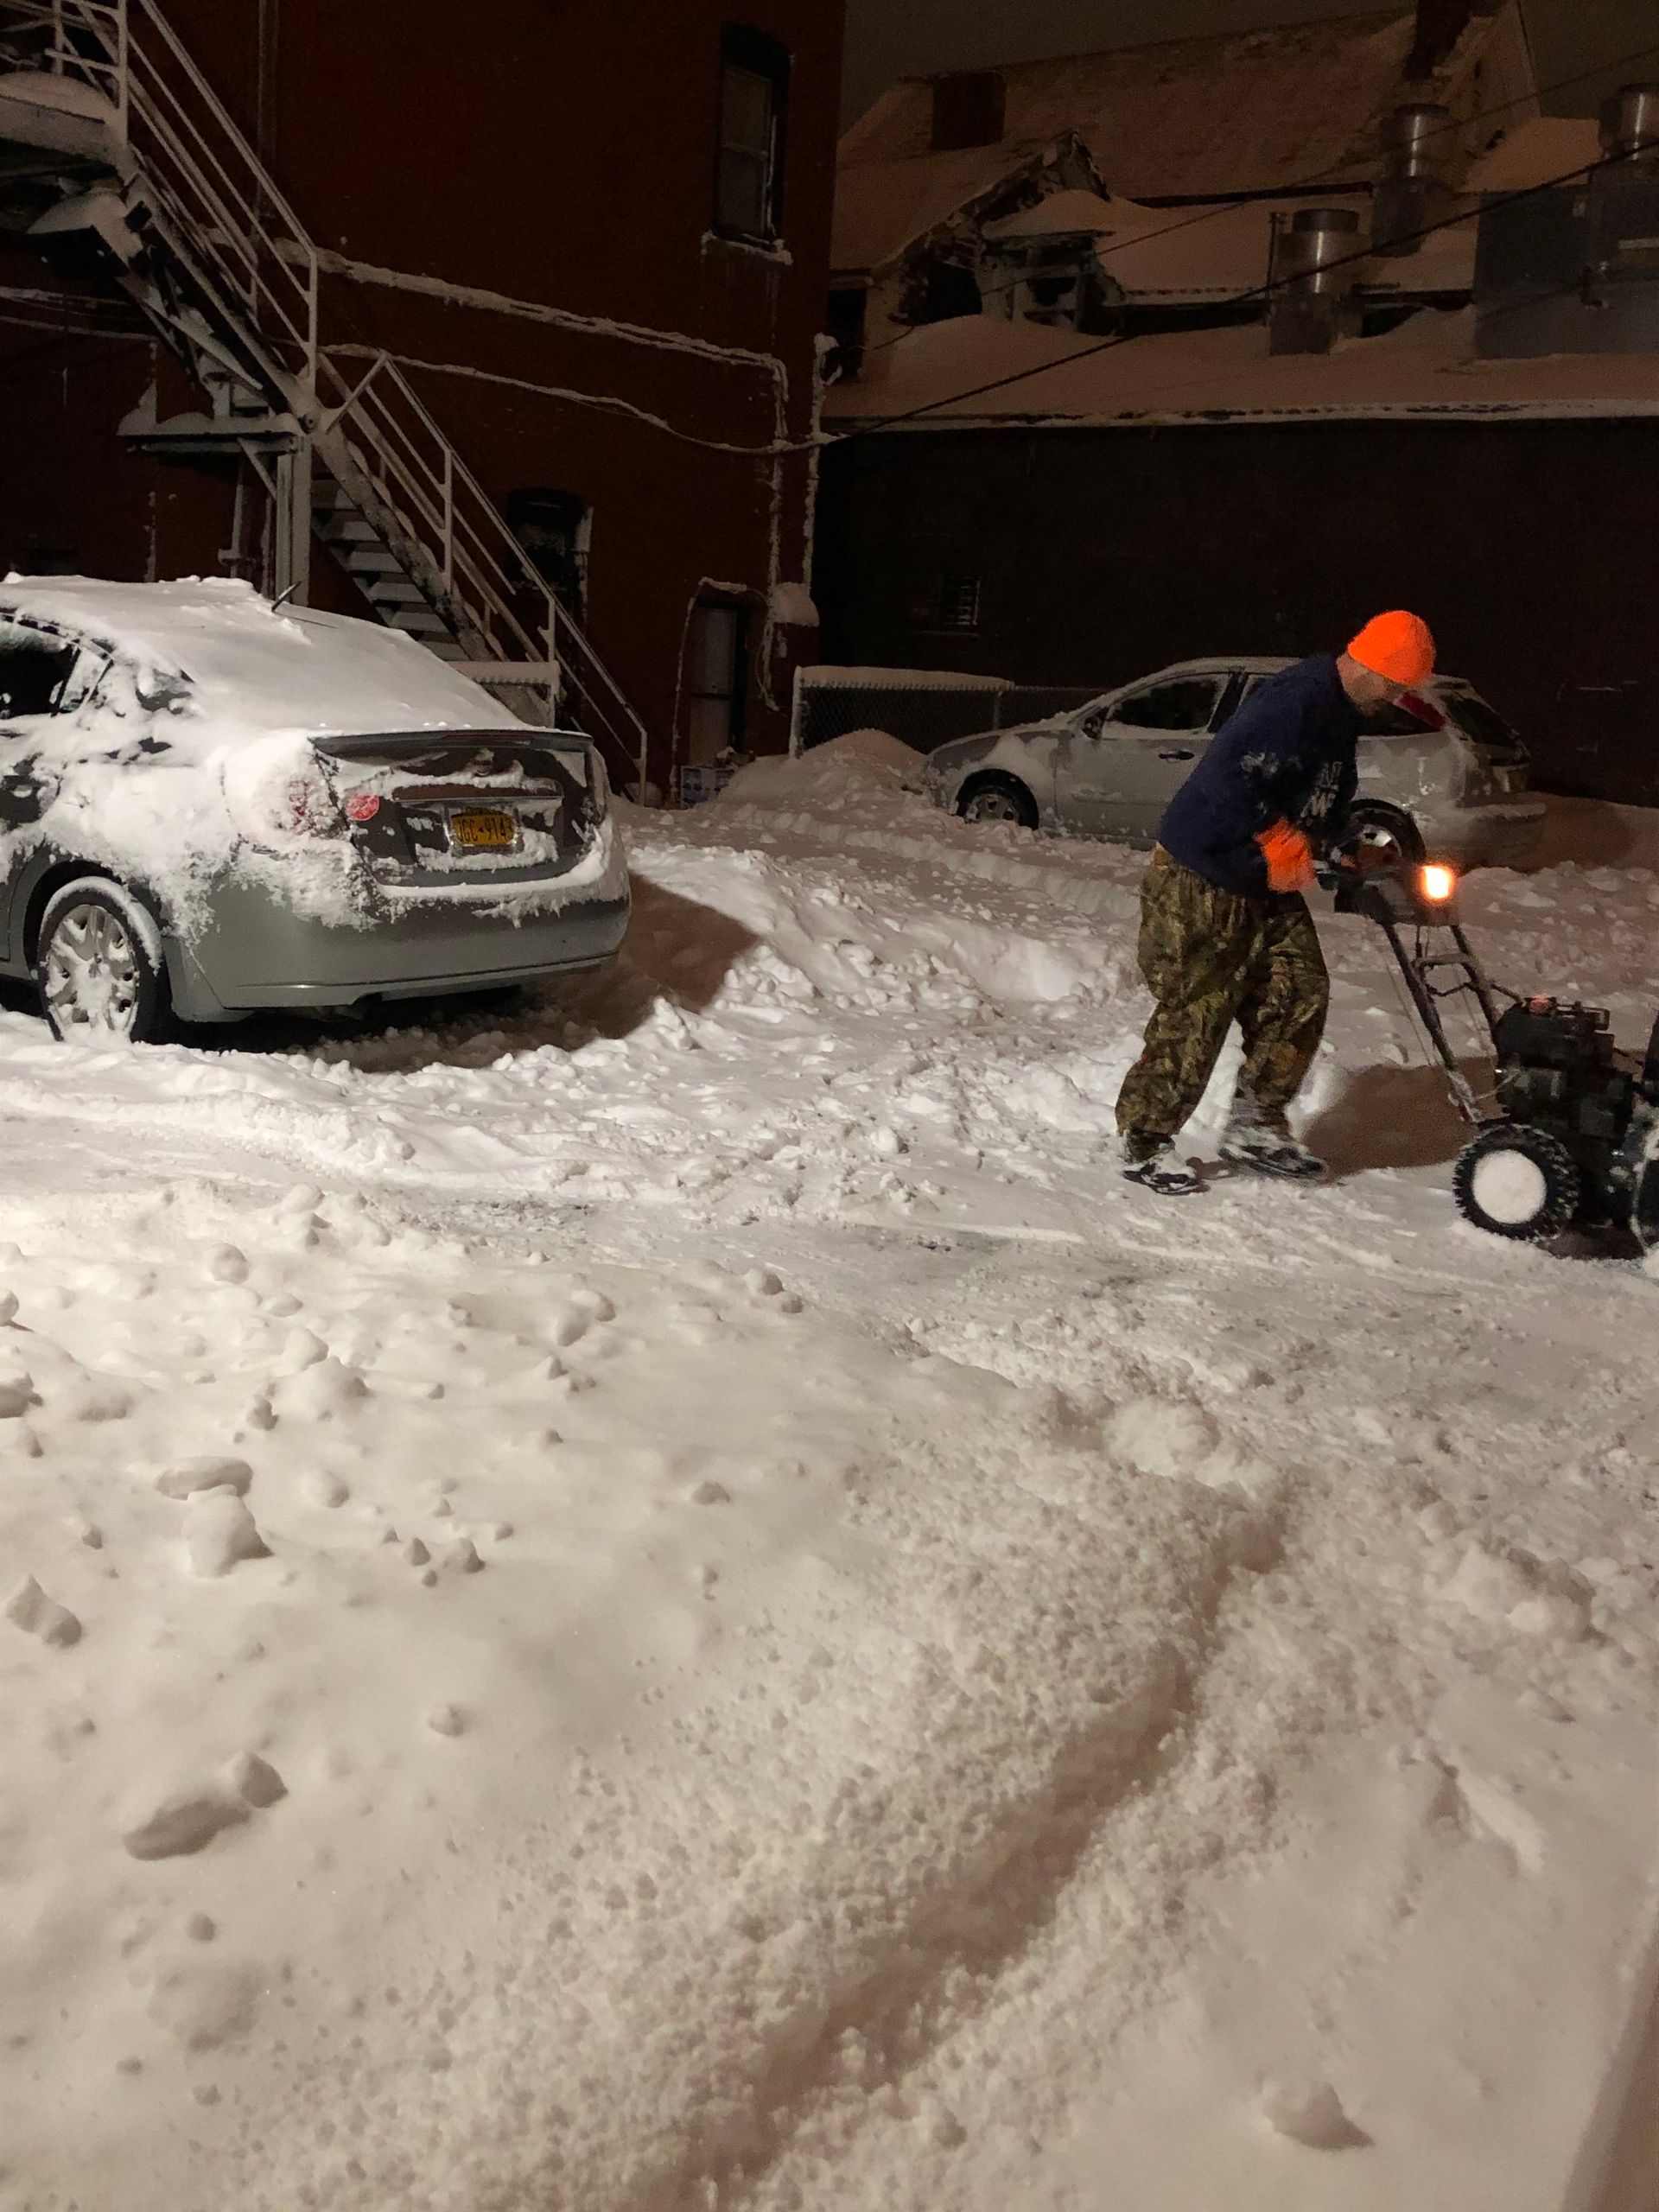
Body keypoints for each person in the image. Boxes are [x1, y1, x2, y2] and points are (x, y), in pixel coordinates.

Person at [1116, 611, 1437, 1197]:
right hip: (1202, 872)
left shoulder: (1341, 716)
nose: (1397, 696)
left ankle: (1255, 1126)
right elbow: (1225, 780)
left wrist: (1341, 846)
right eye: (1396, 683)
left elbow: (1318, 798)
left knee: (1299, 992)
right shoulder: (1297, 701)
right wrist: (1275, 835)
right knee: (1199, 1009)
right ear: (1369, 663)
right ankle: (1144, 1140)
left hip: (1260, 880)